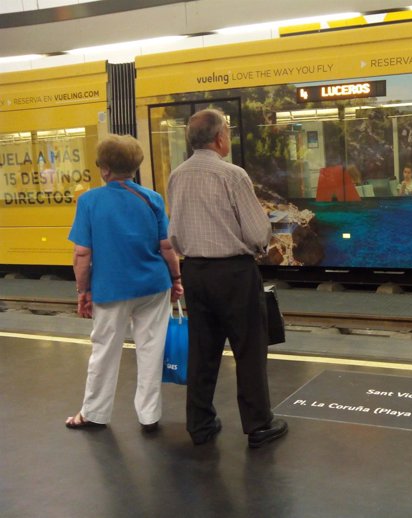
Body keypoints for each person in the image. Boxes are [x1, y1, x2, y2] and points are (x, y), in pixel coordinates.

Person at [167, 108, 288, 448]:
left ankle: (200, 424)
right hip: (233, 272)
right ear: (219, 138)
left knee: (203, 349)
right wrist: (262, 244)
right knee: (248, 348)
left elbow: (173, 232)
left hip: (195, 271)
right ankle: (258, 424)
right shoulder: (233, 175)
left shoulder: (177, 175)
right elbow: (256, 231)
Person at [65, 134, 183, 432]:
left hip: (110, 288)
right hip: (154, 286)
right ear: (135, 166)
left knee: (104, 350)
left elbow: (82, 253)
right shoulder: (152, 198)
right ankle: (149, 416)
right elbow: (167, 247)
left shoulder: (89, 200)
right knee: (151, 349)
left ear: (104, 169)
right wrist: (177, 279)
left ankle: (94, 413)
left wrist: (82, 291)